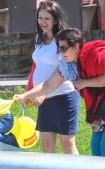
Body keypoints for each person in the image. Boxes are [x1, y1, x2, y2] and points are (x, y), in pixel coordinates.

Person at [14, 28, 105, 158]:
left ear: (76, 46)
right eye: (58, 48)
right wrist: (24, 96)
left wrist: (84, 83)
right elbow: (48, 85)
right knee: (97, 150)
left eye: (63, 48)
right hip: (104, 109)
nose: (60, 53)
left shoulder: (95, 53)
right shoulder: (67, 65)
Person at [24, 1, 79, 155]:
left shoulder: (62, 40)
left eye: (47, 18)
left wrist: (42, 93)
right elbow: (37, 66)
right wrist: (30, 90)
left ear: (55, 19)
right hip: (45, 99)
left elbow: (63, 70)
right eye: (40, 18)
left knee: (67, 144)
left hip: (64, 97)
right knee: (47, 145)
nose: (43, 22)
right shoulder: (39, 39)